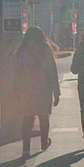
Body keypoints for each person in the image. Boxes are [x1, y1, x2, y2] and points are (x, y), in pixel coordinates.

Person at [14, 26, 60, 159]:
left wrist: (16, 89)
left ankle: (26, 148)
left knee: (27, 118)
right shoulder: (46, 49)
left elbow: (17, 72)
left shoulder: (22, 50)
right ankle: (44, 142)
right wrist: (56, 92)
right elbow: (52, 71)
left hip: (26, 89)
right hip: (44, 88)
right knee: (44, 117)